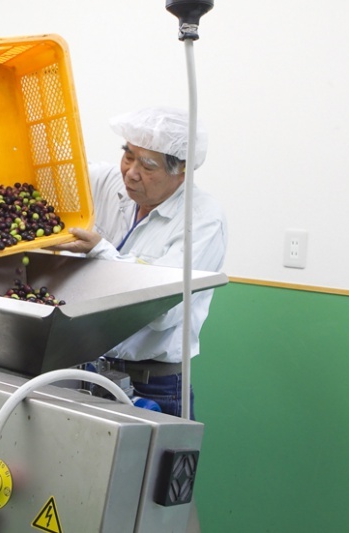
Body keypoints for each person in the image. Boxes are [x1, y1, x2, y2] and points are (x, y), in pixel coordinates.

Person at [54, 106, 227, 419]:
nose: (131, 172)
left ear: (181, 170)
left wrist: (100, 252)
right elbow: (58, 175)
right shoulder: (111, 183)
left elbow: (163, 312)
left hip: (153, 385)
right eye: (128, 155)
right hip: (90, 370)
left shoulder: (201, 221)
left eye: (147, 165)